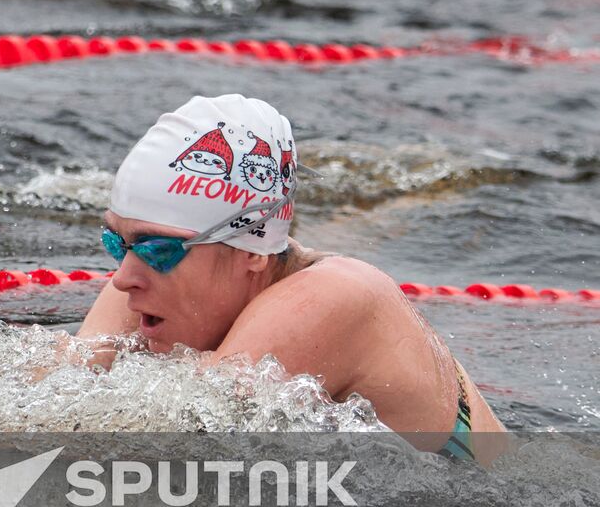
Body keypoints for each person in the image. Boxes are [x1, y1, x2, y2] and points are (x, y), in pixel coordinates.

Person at [75, 94, 505, 460]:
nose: (122, 277)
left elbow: (162, 434)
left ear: (251, 250)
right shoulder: (151, 277)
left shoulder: (336, 295)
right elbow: (66, 380)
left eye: (158, 248)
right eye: (118, 242)